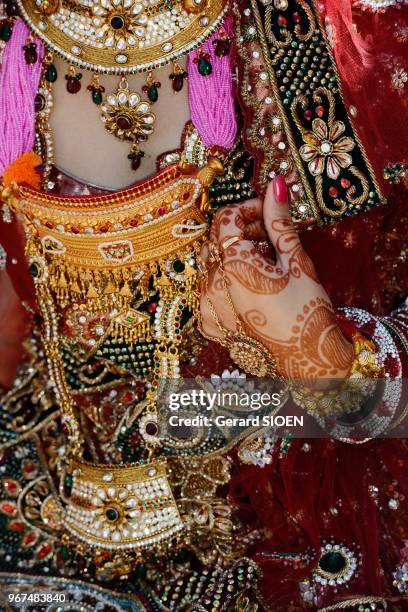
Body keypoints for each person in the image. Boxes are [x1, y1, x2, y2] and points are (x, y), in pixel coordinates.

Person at [0, 0, 407, 609]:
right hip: (50, 489)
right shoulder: (16, 33)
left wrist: (336, 368)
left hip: (305, 517)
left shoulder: (361, 37)